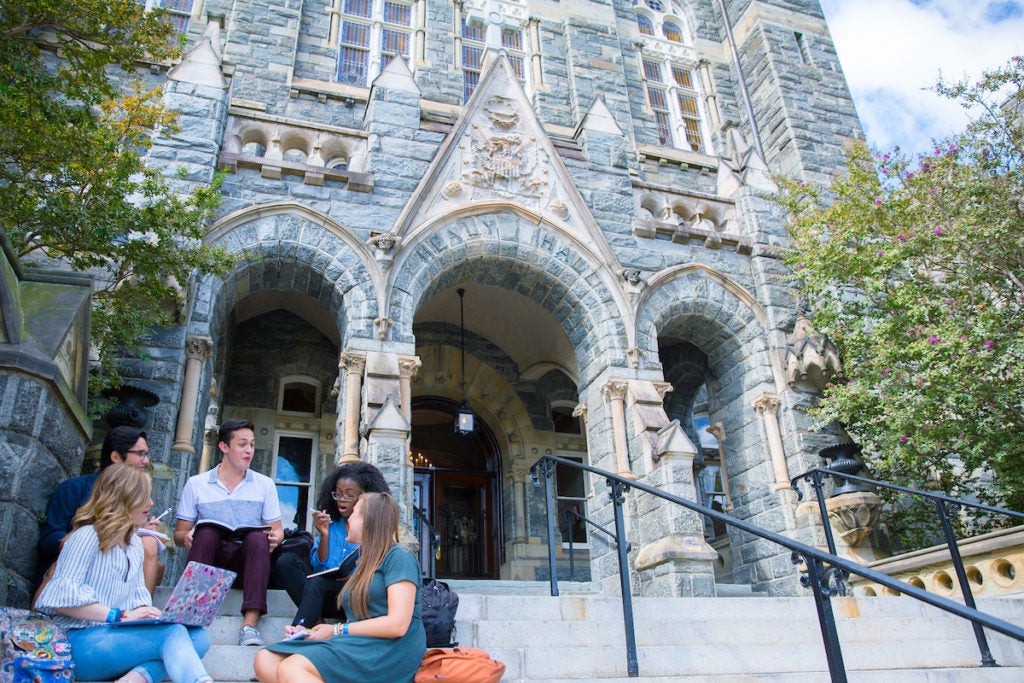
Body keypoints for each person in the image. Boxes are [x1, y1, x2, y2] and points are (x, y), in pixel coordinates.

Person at [34, 464, 213, 683]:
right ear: (124, 499)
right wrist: (121, 615)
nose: (151, 503)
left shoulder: (135, 545)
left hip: (113, 639)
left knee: (199, 637)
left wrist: (155, 615)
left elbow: (137, 603)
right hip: (74, 644)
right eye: (144, 497)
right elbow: (60, 601)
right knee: (171, 634)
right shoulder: (86, 536)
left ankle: (135, 679)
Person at [253, 492, 426, 683]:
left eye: (355, 513)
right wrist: (313, 633)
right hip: (358, 642)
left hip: (391, 648)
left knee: (292, 667)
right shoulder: (362, 562)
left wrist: (335, 630)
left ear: (369, 521)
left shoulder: (399, 557)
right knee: (266, 660)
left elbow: (398, 625)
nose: (348, 518)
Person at [174, 417, 284, 647]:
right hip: (210, 561)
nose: (249, 450)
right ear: (224, 447)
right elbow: (179, 533)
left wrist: (276, 537)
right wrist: (186, 536)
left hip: (247, 566)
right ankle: (191, 619)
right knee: (206, 534)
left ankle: (250, 625)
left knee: (257, 537)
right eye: (242, 444)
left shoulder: (264, 485)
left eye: (252, 445)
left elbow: (278, 531)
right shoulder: (197, 484)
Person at [37, 425, 166, 595]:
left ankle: (142, 611)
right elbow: (49, 539)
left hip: (115, 579)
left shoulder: (136, 498)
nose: (146, 461)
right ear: (116, 457)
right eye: (140, 454)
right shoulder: (74, 489)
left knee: (149, 543)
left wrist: (138, 531)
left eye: (146, 454)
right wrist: (93, 539)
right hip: (73, 578)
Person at [275, 462, 391, 627]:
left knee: (318, 584)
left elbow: (383, 573)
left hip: (357, 597)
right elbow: (320, 567)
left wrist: (355, 577)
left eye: (349, 495)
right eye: (338, 494)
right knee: (286, 561)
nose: (342, 499)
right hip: (324, 593)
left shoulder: (376, 528)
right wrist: (324, 535)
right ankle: (315, 621)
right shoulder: (332, 523)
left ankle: (298, 631)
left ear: (365, 496)